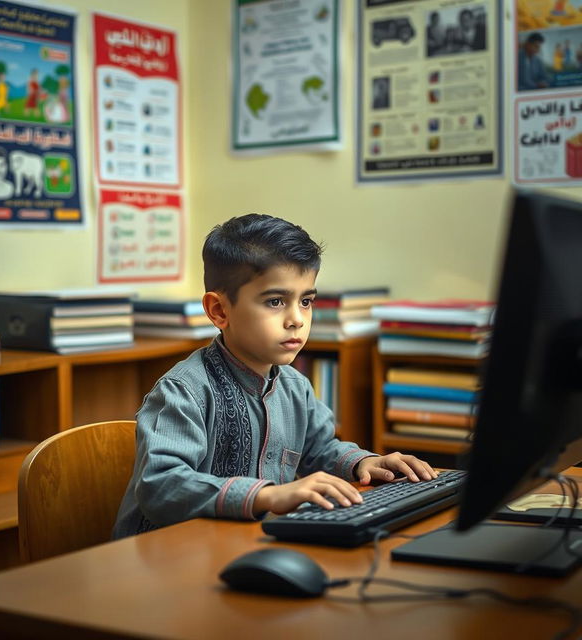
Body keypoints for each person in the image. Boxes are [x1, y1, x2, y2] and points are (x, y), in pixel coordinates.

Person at [112, 215, 437, 538]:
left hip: (243, 545)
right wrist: (268, 495)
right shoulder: (183, 392)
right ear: (219, 311)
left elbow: (319, 450)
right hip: (167, 557)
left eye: (306, 301)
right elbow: (162, 485)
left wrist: (362, 463)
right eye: (275, 301)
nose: (296, 319)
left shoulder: (295, 386)